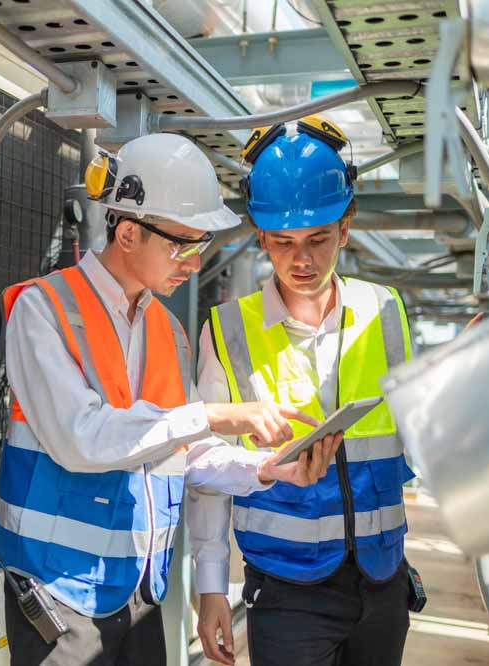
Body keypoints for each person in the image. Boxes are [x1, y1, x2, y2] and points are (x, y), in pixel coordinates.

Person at [0, 132, 343, 666]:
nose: (195, 263)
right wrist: (215, 414)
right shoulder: (44, 310)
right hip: (59, 593)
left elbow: (185, 456)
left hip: (139, 593)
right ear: (128, 232)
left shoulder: (168, 332)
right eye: (183, 244)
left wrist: (268, 470)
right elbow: (80, 438)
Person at [193, 116, 416, 666]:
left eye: (319, 239)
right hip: (287, 592)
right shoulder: (227, 332)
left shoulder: (386, 311)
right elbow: (206, 468)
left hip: (383, 579)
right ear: (262, 237)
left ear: (345, 226)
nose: (303, 260)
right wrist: (210, 585)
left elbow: (418, 440)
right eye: (285, 243)